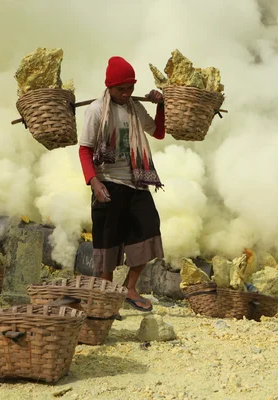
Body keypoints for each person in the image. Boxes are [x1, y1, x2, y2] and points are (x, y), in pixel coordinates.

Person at [78, 56, 166, 312]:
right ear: (109, 87)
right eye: (121, 89)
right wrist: (93, 182)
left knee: (149, 231)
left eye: (130, 88)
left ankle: (129, 288)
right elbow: (85, 150)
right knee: (109, 240)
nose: (126, 93)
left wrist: (161, 105)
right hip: (108, 181)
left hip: (137, 182)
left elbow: (158, 132)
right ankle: (106, 296)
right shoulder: (96, 110)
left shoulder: (135, 108)